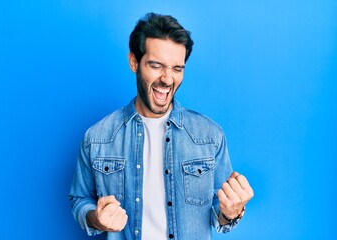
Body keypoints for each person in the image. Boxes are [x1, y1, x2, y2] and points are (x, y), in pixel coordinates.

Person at [69, 12, 253, 240]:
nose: (167, 79)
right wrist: (95, 218)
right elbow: (80, 199)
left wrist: (232, 212)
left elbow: (221, 213)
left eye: (177, 68)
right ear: (134, 62)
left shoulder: (210, 135)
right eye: (156, 66)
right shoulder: (97, 137)